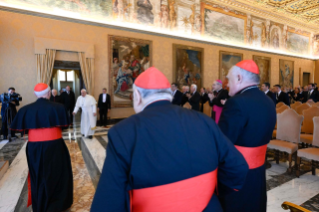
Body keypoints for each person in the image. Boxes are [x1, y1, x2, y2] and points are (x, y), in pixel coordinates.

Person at [91, 67, 249, 212]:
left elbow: (107, 203)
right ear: (168, 94)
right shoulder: (204, 121)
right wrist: (207, 191)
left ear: (137, 96)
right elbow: (238, 167)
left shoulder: (122, 132)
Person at [218, 60, 276, 212]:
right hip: (258, 173)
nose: (226, 83)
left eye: (228, 79)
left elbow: (223, 144)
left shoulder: (236, 103)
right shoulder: (268, 101)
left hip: (237, 176)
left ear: (239, 78)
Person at [10, 83, 73, 212]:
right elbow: (65, 125)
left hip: (35, 148)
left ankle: (40, 204)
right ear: (49, 93)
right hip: (55, 146)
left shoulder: (25, 110)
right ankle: (58, 204)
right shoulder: (59, 107)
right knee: (58, 173)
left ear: (35, 94)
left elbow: (19, 129)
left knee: (38, 174)